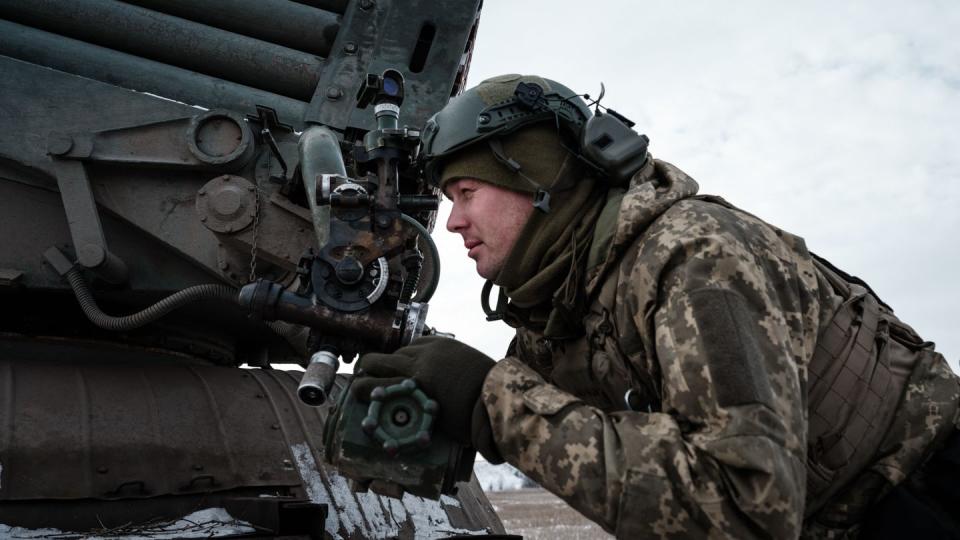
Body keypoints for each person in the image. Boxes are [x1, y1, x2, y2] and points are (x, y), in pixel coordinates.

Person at [353, 74, 960, 538]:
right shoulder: (563, 306)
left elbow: (747, 506)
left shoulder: (694, 258)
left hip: (921, 497)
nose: (454, 222)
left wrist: (495, 404)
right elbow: (521, 403)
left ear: (536, 179)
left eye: (466, 193)